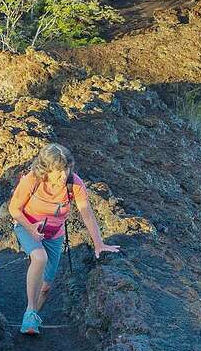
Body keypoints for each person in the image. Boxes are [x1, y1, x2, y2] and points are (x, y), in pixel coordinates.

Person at [9, 143, 119, 336]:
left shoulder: (74, 183)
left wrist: (99, 243)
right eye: (58, 172)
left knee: (46, 287)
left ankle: (33, 317)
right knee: (39, 257)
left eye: (66, 170)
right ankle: (29, 313)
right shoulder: (32, 180)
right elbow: (14, 210)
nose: (63, 176)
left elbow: (86, 212)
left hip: (54, 235)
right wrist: (31, 228)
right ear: (46, 170)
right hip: (28, 227)